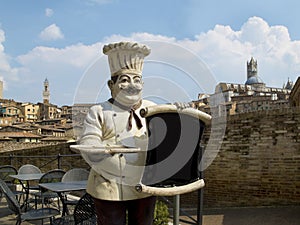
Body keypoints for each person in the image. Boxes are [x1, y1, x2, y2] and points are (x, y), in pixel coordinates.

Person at [79, 41, 157, 225]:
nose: (132, 85)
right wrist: (101, 149)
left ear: (142, 84)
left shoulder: (153, 109)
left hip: (144, 182)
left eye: (136, 80)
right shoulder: (98, 111)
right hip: (109, 184)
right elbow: (89, 140)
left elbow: (169, 135)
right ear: (110, 84)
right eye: (124, 80)